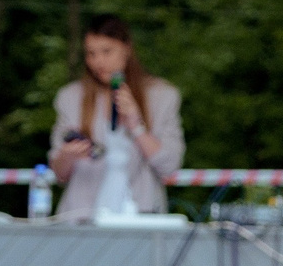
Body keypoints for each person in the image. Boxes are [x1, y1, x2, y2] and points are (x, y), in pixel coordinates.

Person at [48, 15, 183, 223]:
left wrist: (136, 126)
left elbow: (169, 166)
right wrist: (67, 155)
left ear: (127, 48)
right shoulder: (71, 97)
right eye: (91, 54)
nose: (98, 61)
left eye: (106, 51)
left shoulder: (162, 95)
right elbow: (59, 174)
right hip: (82, 217)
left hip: (141, 217)